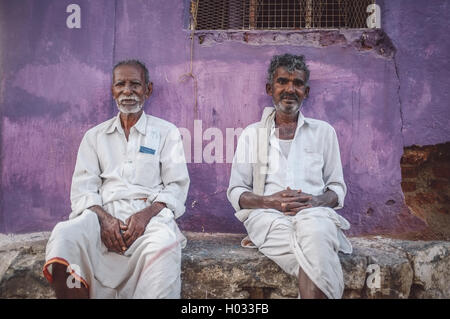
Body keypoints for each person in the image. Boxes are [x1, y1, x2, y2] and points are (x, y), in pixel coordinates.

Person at [43, 59, 190, 299]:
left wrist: (145, 215)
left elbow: (176, 186)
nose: (127, 91)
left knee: (164, 245)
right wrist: (105, 220)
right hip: (102, 216)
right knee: (64, 235)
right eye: (120, 84)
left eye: (135, 84)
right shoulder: (94, 136)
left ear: (148, 89)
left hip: (149, 219)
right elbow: (83, 190)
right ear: (112, 90)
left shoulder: (167, 133)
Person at [227, 53, 352, 299]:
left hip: (315, 215)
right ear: (269, 88)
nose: (289, 89)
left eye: (297, 84)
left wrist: (314, 201)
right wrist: (270, 201)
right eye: (282, 82)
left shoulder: (324, 132)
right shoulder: (252, 135)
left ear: (306, 91)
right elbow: (236, 192)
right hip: (267, 219)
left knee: (315, 238)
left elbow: (337, 188)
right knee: (317, 257)